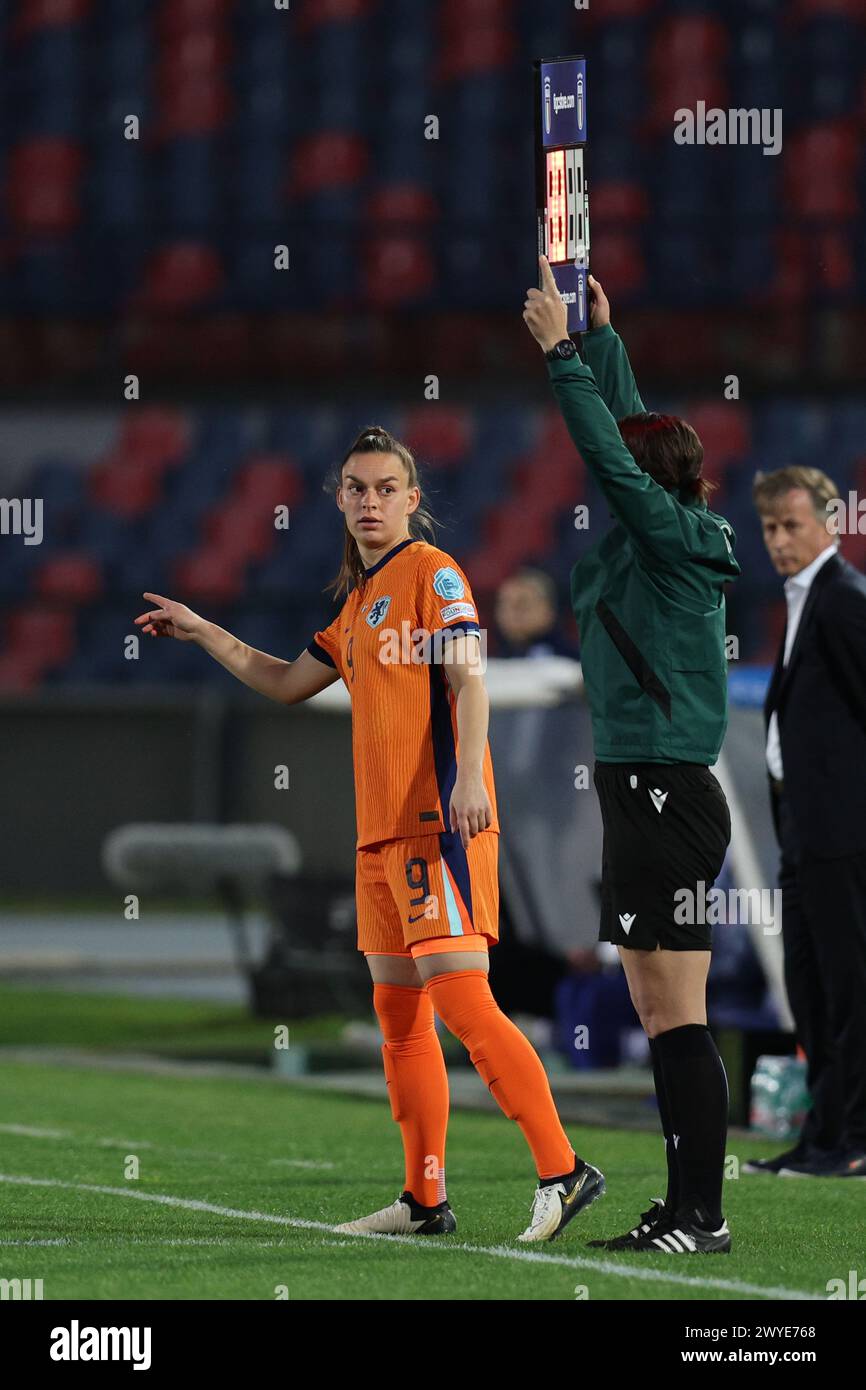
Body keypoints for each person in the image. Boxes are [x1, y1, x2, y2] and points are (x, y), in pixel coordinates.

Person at [135, 423, 604, 1242]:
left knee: (464, 1001)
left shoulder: (433, 574)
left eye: (387, 488)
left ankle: (564, 1170)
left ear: (413, 501)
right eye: (356, 488)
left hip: (437, 824)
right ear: (340, 499)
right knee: (398, 1015)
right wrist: (206, 631)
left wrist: (465, 776)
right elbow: (286, 682)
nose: (370, 501)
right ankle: (426, 1200)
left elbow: (468, 679)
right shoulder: (356, 605)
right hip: (381, 836)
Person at [523, 259, 740, 1254]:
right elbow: (638, 446)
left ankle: (702, 1211)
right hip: (640, 789)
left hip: (665, 791)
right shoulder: (660, 530)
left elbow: (618, 458)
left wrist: (561, 357)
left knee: (677, 1008)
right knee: (658, 1009)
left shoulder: (669, 540)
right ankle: (683, 1204)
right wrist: (603, 342)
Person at [744, 467, 866, 1179]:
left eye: (791, 525)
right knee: (812, 987)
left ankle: (852, 1138)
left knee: (847, 986)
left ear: (831, 523)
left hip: (843, 832)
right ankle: (821, 1137)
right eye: (769, 528)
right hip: (806, 829)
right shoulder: (809, 599)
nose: (779, 541)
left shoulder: (843, 600)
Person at [495, 568, 580, 660]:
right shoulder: (491, 661)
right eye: (503, 604)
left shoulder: (575, 663)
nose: (509, 614)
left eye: (521, 605)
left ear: (548, 610)